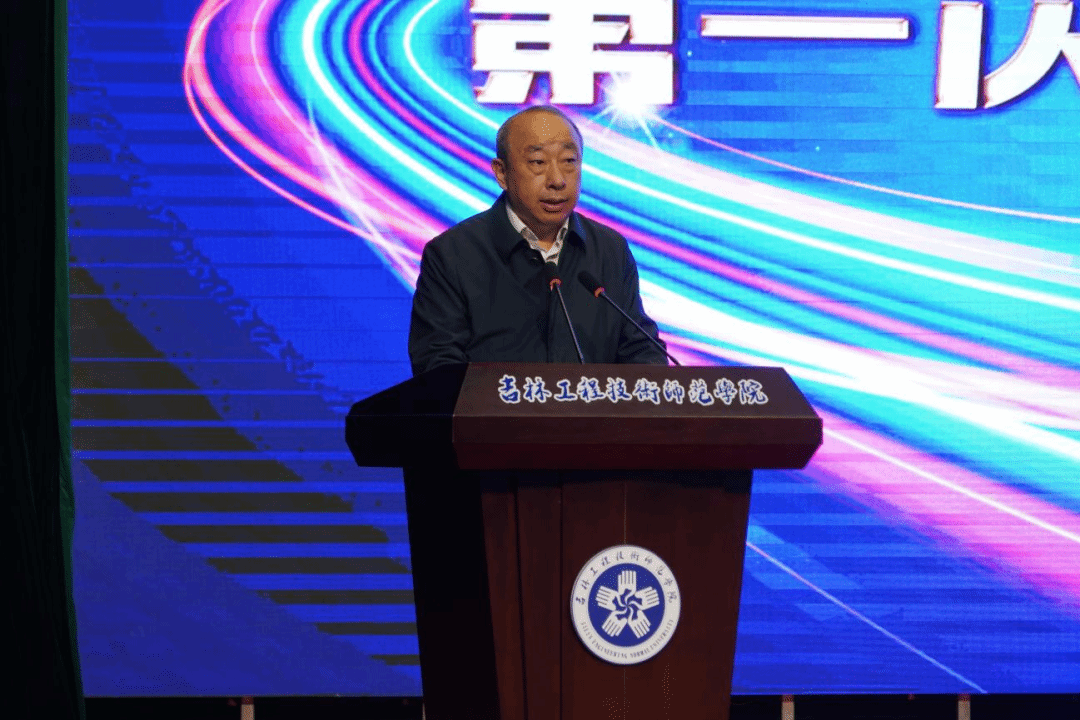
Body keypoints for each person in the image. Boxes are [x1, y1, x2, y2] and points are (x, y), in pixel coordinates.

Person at [408, 106, 668, 375]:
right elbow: (438, 367)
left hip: (594, 404)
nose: (557, 180)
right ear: (502, 173)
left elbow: (642, 349)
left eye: (569, 161)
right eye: (538, 162)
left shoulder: (609, 249)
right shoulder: (452, 255)